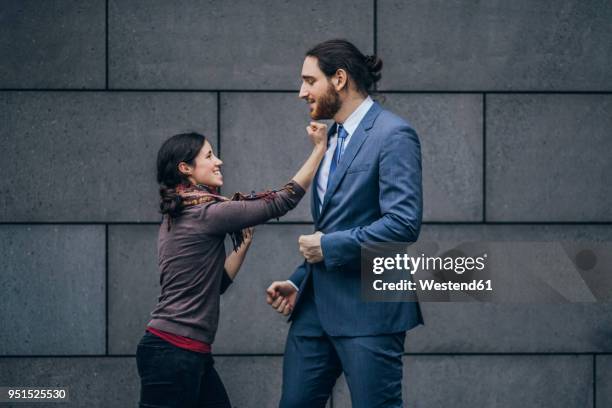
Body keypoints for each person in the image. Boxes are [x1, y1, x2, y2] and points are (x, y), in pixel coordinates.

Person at [266, 39, 424, 407]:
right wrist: (299, 278)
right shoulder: (330, 137)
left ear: (339, 78)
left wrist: (328, 247)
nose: (301, 92)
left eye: (309, 80)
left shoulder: (393, 135)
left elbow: (403, 224)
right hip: (313, 308)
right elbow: (337, 221)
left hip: (369, 308)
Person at [136, 124, 327, 408]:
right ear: (186, 168)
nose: (219, 161)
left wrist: (242, 247)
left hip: (187, 352)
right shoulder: (204, 213)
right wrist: (319, 149)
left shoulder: (180, 214)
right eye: (209, 156)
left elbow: (216, 286)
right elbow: (282, 200)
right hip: (172, 352)